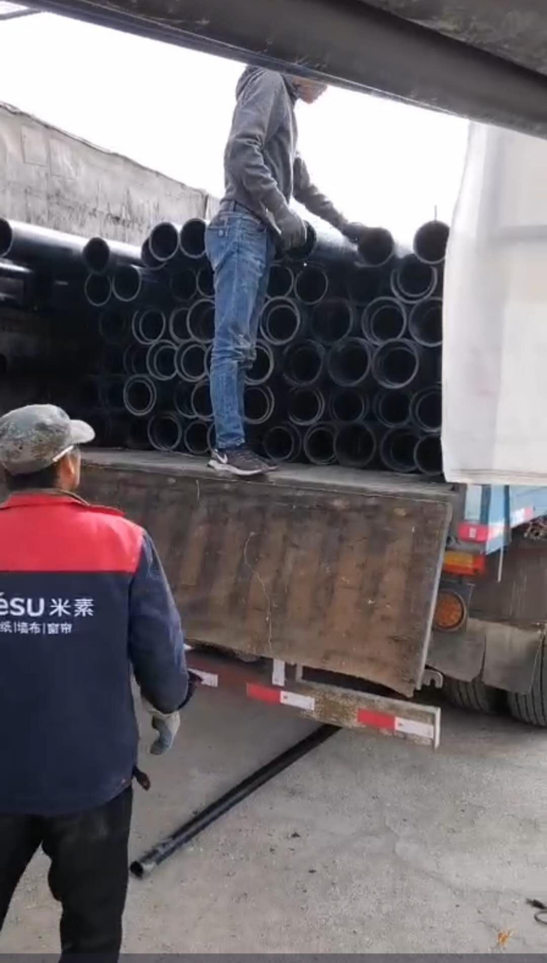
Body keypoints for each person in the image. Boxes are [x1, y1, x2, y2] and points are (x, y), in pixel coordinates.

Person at [0, 404, 191, 960]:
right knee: (93, 935)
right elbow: (160, 653)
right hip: (91, 782)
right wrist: (168, 705)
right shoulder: (123, 542)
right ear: (68, 466)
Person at [206, 67, 370, 477]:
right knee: (232, 344)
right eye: (325, 80)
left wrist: (343, 224)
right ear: (303, 67)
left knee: (243, 348)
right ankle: (228, 447)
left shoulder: (288, 111)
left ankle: (233, 444)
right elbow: (241, 149)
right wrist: (281, 212)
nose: (326, 90)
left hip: (257, 232)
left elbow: (301, 183)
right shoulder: (269, 82)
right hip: (241, 225)